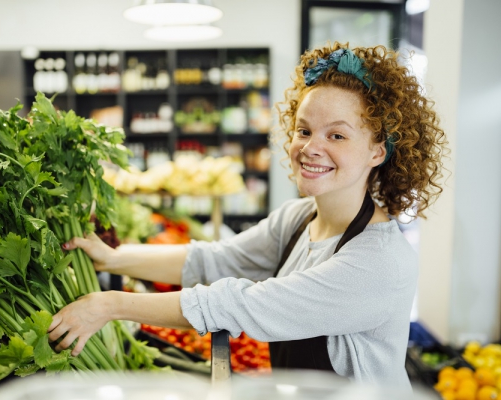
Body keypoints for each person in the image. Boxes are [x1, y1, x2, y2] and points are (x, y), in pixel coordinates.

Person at [47, 42, 447, 388]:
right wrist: (114, 257)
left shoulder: (379, 263)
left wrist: (110, 305)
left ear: (378, 151)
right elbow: (215, 260)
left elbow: (242, 306)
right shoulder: (299, 219)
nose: (310, 147)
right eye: (304, 130)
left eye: (337, 135)